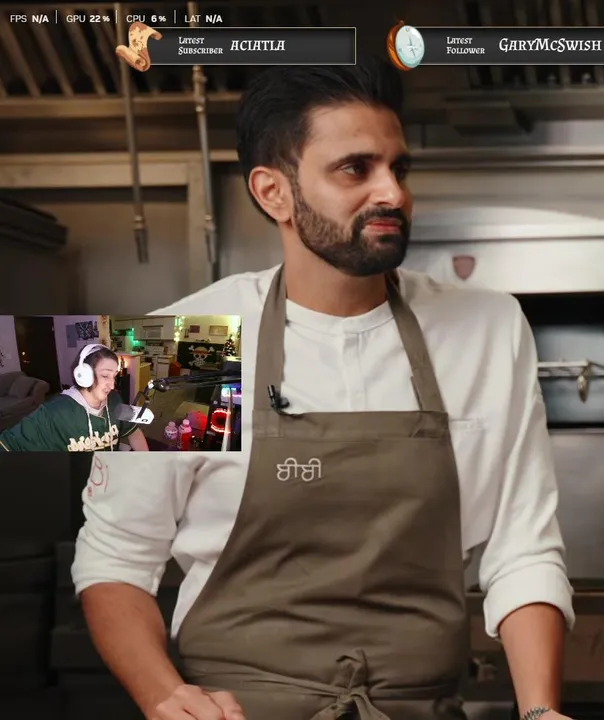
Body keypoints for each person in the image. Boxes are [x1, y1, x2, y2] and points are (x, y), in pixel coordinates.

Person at [71, 57, 575, 720]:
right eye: (355, 169)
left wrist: (539, 712)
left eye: (399, 168)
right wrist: (166, 696)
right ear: (273, 192)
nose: (392, 192)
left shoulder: (488, 327)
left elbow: (522, 547)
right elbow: (116, 557)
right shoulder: (185, 343)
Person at [0, 343, 149, 452]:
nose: (112, 385)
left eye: (114, 376)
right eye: (105, 376)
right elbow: (7, 445)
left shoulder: (115, 399)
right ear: (84, 375)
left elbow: (134, 432)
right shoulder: (53, 412)